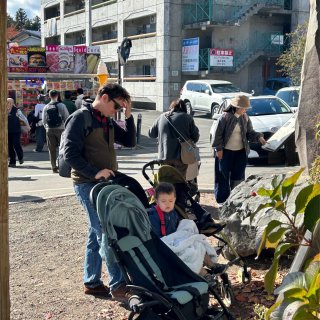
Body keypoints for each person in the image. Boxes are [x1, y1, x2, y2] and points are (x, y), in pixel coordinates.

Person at [63, 83, 136, 300]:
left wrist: (129, 116)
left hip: (104, 185)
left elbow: (130, 141)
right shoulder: (80, 118)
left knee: (96, 234)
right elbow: (69, 154)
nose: (117, 111)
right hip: (87, 184)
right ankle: (118, 284)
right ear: (104, 98)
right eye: (116, 107)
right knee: (105, 232)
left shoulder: (107, 120)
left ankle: (91, 281)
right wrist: (95, 172)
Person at [148, 182, 225, 276]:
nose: (167, 204)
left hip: (177, 241)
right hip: (166, 247)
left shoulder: (173, 212)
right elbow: (156, 239)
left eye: (171, 201)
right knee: (189, 254)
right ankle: (205, 275)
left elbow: (180, 228)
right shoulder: (153, 216)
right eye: (163, 201)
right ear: (157, 201)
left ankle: (212, 265)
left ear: (174, 200)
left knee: (196, 243)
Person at [211, 95, 266, 204]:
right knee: (223, 176)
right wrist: (219, 149)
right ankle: (222, 200)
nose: (245, 110)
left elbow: (250, 133)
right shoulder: (224, 117)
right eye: (244, 108)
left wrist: (259, 137)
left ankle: (236, 199)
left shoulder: (245, 117)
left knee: (239, 177)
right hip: (225, 152)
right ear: (237, 107)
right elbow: (217, 135)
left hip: (241, 152)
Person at [148, 99, 200, 178]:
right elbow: (195, 137)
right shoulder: (187, 118)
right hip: (181, 157)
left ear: (171, 107)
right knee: (180, 180)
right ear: (184, 109)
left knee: (166, 181)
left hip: (163, 157)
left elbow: (151, 134)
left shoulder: (162, 117)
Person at [42, 90, 69, 173]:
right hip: (61, 129)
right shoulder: (61, 105)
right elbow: (67, 117)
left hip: (49, 130)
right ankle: (63, 166)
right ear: (57, 95)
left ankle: (53, 167)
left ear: (49, 96)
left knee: (51, 149)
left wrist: (47, 127)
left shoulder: (46, 107)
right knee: (63, 148)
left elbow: (44, 120)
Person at [7, 98, 30, 167]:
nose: (8, 104)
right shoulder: (4, 110)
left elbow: (24, 119)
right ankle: (12, 162)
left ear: (13, 103)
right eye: (7, 102)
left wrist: (28, 126)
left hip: (16, 131)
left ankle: (20, 157)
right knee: (10, 146)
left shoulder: (17, 110)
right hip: (8, 131)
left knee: (16, 144)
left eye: (10, 102)